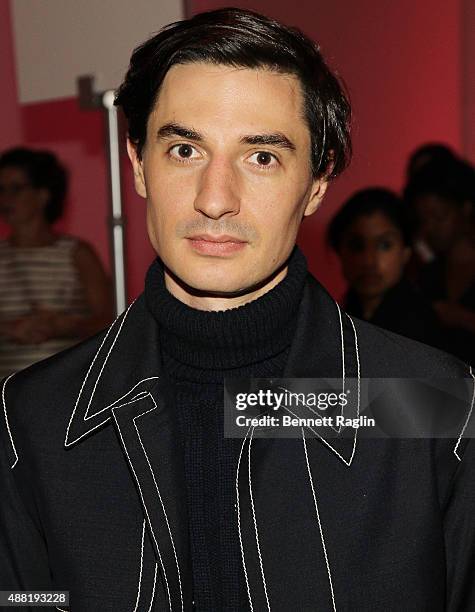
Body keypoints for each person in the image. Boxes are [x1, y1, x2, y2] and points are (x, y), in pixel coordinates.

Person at [1, 9, 474, 611]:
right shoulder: (33, 420)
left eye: (262, 158)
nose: (215, 200)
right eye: (184, 149)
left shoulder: (436, 409)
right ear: (139, 163)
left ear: (318, 182)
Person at [0, 147, 114, 378]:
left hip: (68, 388)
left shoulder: (77, 253)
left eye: (16, 189)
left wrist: (67, 326)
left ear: (43, 195)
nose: (5, 199)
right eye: (1, 190)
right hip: (6, 392)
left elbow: (111, 321)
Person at [328, 187, 440, 346]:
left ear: (406, 252)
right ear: (340, 251)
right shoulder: (334, 318)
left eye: (385, 245)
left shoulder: (420, 326)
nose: (368, 261)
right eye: (356, 246)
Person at [405, 157, 475, 364]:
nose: (430, 228)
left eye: (439, 216)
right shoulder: (428, 274)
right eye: (424, 219)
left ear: (466, 209)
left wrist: (463, 318)